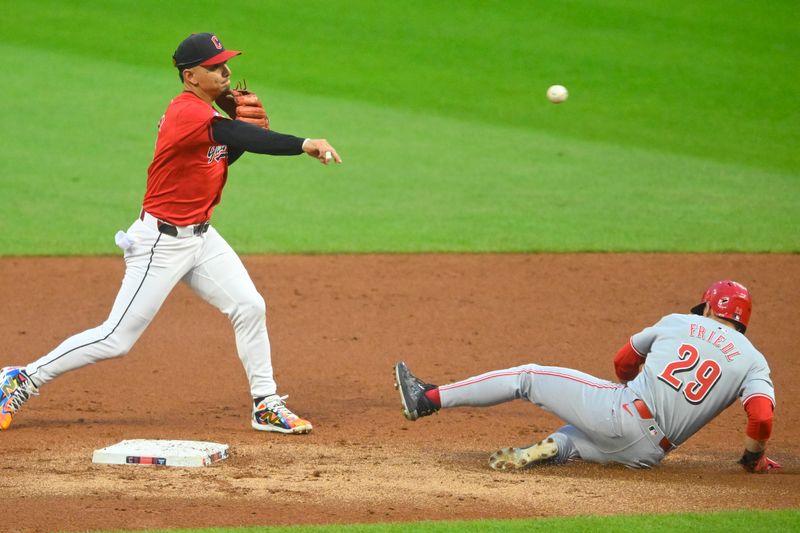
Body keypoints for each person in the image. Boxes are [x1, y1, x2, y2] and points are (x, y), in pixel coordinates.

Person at [0, 32, 342, 434]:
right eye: (215, 67)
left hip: (201, 238)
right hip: (159, 244)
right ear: (190, 75)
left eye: (225, 63)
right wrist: (302, 143)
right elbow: (237, 136)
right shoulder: (186, 112)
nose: (225, 70)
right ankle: (20, 379)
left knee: (249, 306)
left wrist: (242, 137)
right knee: (115, 338)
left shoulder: (209, 119)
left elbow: (219, 154)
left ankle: (265, 403)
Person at [394, 280, 780, 472]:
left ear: (711, 308)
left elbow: (623, 362)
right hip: (648, 454)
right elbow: (761, 417)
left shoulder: (681, 321)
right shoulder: (754, 362)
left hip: (622, 412)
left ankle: (425, 399)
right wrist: (752, 459)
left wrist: (631, 385)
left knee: (527, 377)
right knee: (579, 440)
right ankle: (551, 448)